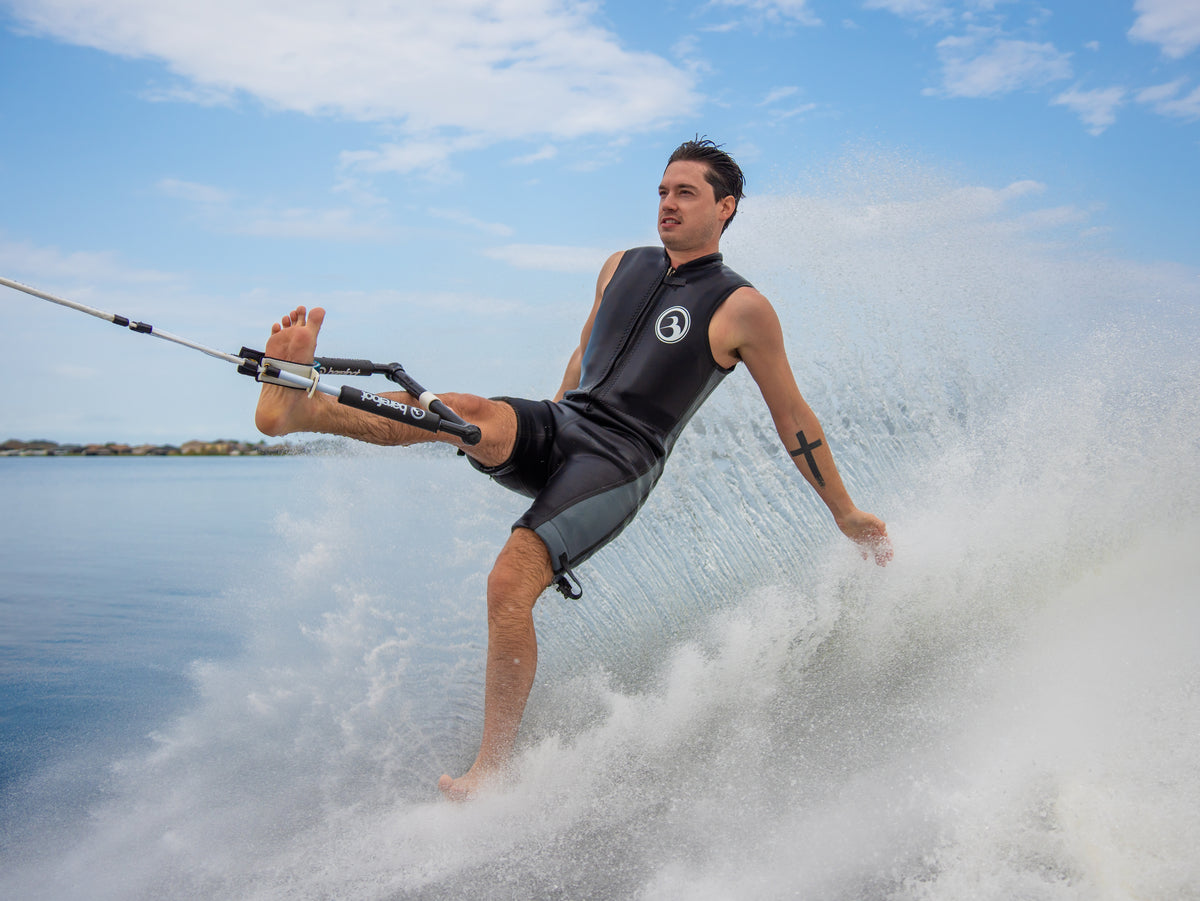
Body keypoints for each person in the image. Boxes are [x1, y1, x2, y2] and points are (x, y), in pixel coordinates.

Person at [254, 139, 892, 800]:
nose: (668, 204)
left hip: (620, 460)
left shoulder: (742, 307)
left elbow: (794, 416)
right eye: (662, 192)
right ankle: (300, 412)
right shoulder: (620, 265)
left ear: (725, 208)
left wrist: (844, 512)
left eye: (686, 193)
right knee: (466, 410)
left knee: (509, 581)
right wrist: (538, 430)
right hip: (566, 423)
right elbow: (583, 353)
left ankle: (491, 773)